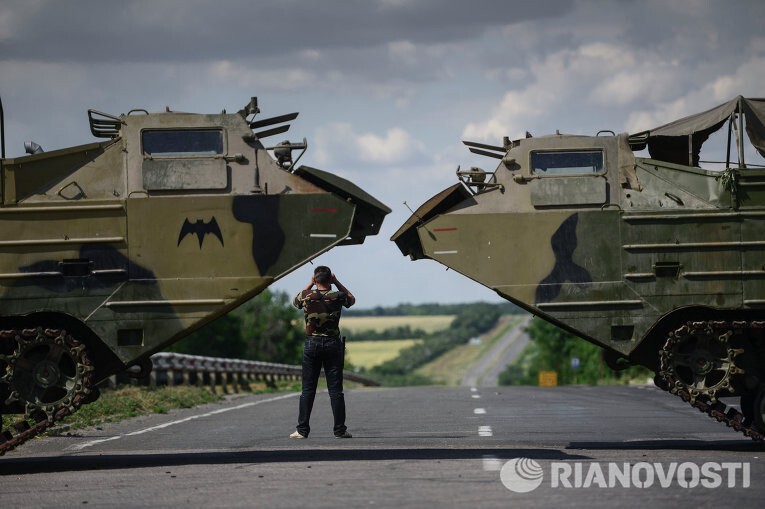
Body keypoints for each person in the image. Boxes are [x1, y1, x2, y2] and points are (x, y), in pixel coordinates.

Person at [290, 265, 355, 439]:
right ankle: (340, 430)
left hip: (312, 344)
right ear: (330, 279)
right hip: (333, 345)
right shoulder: (337, 296)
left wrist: (310, 284)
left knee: (307, 390)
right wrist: (337, 282)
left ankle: (302, 430)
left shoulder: (306, 296)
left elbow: (295, 302)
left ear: (315, 278)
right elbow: (351, 299)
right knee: (336, 391)